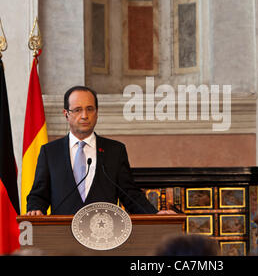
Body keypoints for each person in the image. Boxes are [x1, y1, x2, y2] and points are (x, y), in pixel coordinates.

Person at [27, 86, 172, 215]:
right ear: (66, 114)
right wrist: (35, 209)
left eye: (90, 109)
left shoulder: (115, 150)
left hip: (104, 236)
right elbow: (39, 194)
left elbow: (130, 194)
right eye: (78, 110)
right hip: (62, 235)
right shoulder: (50, 152)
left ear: (96, 113)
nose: (84, 115)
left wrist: (154, 214)